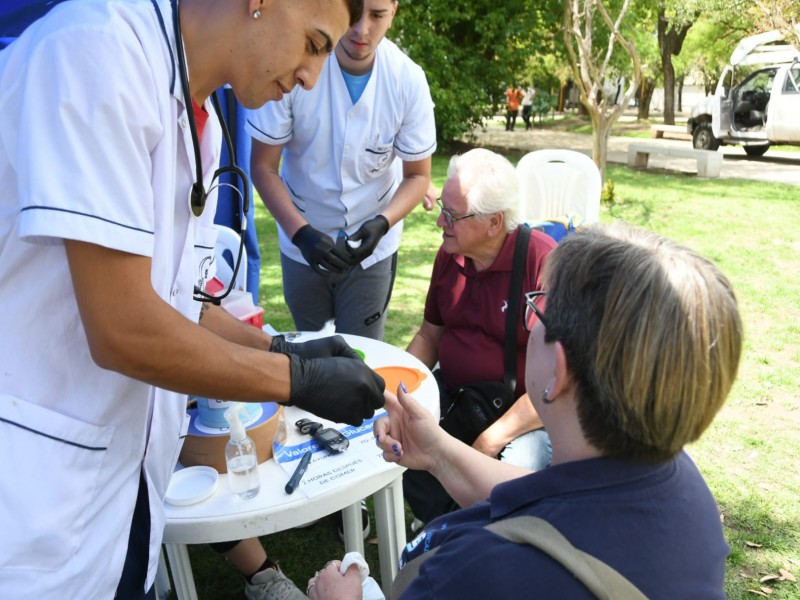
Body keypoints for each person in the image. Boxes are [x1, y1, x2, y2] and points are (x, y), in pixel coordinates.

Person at [0, 0, 385, 598]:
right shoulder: (94, 50)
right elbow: (123, 325)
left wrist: (280, 344)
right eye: (312, 43)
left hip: (120, 495)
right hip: (34, 506)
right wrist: (296, 378)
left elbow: (181, 305)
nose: (313, 74)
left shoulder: (194, 115)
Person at [307, 222, 743, 599]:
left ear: (558, 371)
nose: (530, 318)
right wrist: (439, 451)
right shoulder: (680, 481)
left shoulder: (486, 572)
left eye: (538, 308)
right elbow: (539, 495)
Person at [248, 0, 436, 342]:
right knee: (309, 355)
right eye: (354, 12)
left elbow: (418, 176)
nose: (361, 29)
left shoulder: (408, 81)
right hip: (301, 241)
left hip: (373, 250)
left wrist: (382, 223)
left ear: (393, 11)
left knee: (362, 356)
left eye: (377, 15)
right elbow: (263, 167)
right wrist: (301, 234)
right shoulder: (294, 65)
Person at [402, 148, 557, 525]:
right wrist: (396, 388)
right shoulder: (450, 254)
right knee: (405, 429)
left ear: (494, 222)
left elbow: (555, 383)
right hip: (458, 400)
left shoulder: (543, 262)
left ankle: (480, 539)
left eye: (453, 215)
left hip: (522, 417)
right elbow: (429, 336)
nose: (440, 220)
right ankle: (446, 527)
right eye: (443, 207)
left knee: (512, 476)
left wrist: (490, 440)